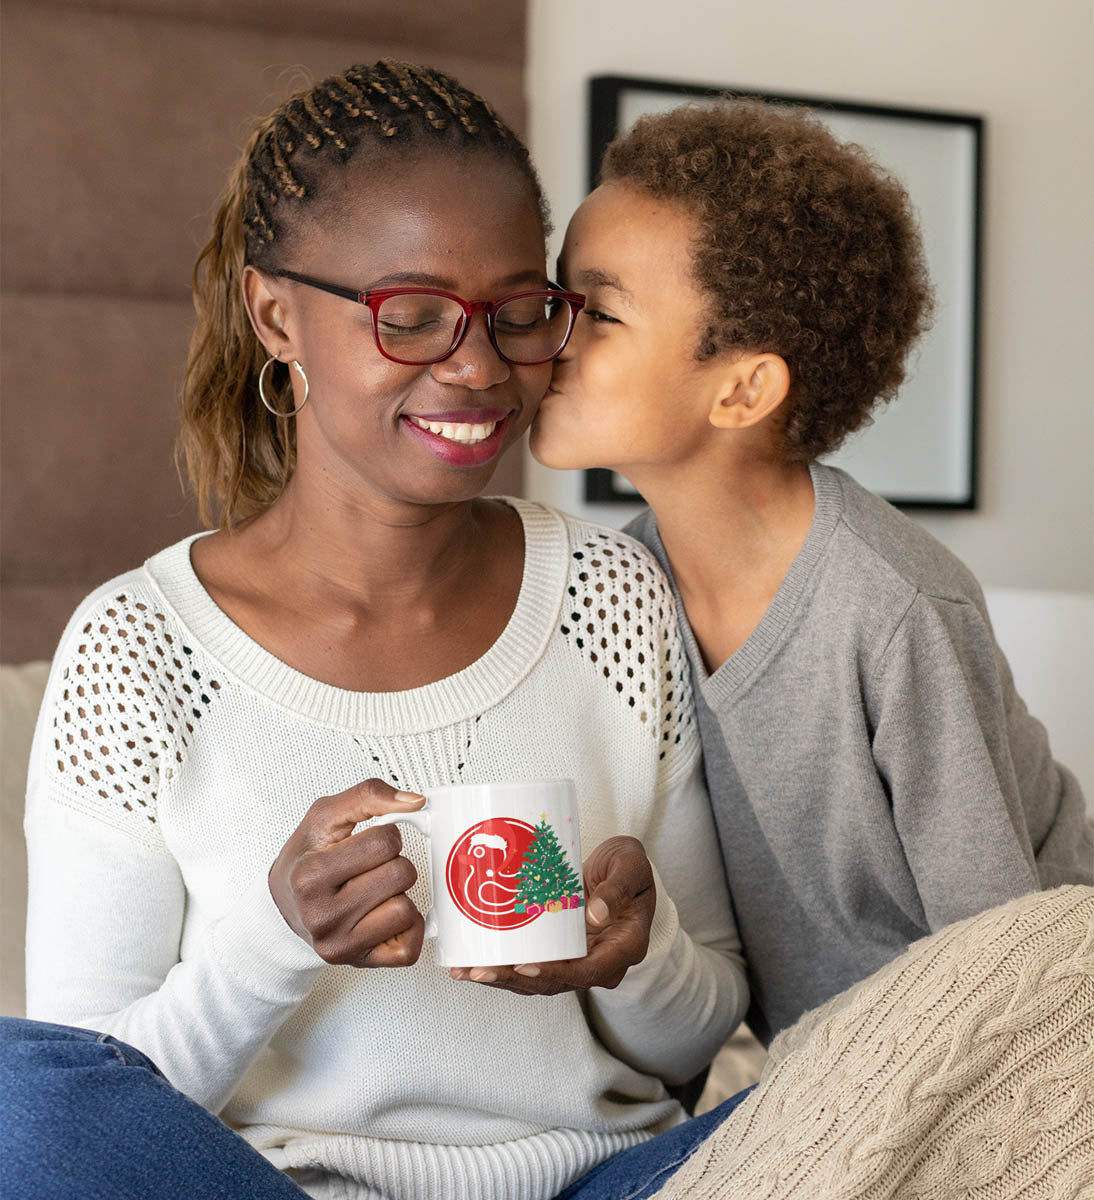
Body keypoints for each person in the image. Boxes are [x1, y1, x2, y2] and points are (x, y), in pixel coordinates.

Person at [1, 62, 751, 1200]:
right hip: (282, 1191)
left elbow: (699, 1038)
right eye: (409, 316)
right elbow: (85, 1090)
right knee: (18, 1092)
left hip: (605, 1185)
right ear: (275, 314)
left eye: (516, 313)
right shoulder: (137, 651)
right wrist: (271, 937)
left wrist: (631, 958)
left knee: (932, 1046)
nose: (478, 368)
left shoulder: (611, 594)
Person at [532, 97, 1093, 1048]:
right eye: (557, 299)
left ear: (744, 387)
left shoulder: (896, 605)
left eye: (601, 312)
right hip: (813, 1066)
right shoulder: (617, 589)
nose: (552, 335)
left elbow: (1005, 961)